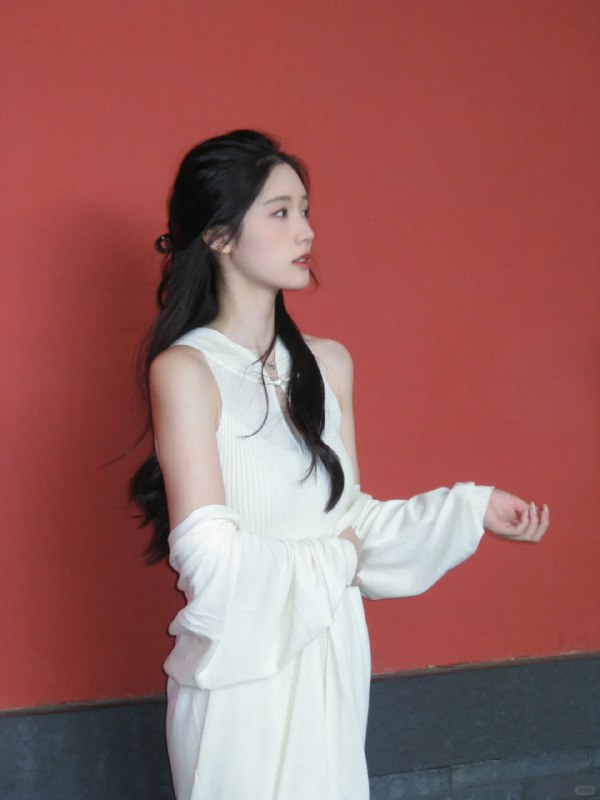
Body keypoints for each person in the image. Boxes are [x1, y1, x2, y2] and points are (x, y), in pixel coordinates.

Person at [130, 129, 549, 800]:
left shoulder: (327, 364)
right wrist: (339, 558)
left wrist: (470, 508)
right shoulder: (186, 370)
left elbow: (350, 520)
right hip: (240, 680)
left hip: (330, 657)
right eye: (280, 212)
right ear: (219, 235)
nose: (306, 231)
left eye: (305, 210)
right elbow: (209, 559)